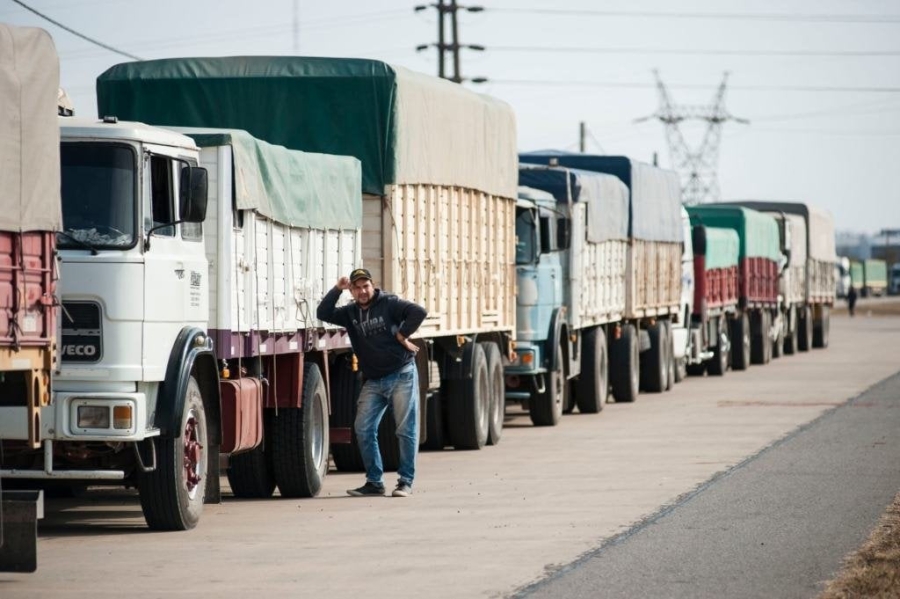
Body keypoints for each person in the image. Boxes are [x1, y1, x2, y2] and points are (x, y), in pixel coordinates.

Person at [317, 267, 427, 498]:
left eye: (365, 286)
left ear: (372, 285)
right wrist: (337, 288)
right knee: (363, 428)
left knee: (405, 430)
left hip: (401, 373)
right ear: (352, 291)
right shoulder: (349, 313)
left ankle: (405, 482)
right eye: (356, 287)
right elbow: (323, 312)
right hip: (374, 380)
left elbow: (418, 311)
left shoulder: (390, 303)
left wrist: (402, 335)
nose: (362, 291)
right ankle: (374, 482)